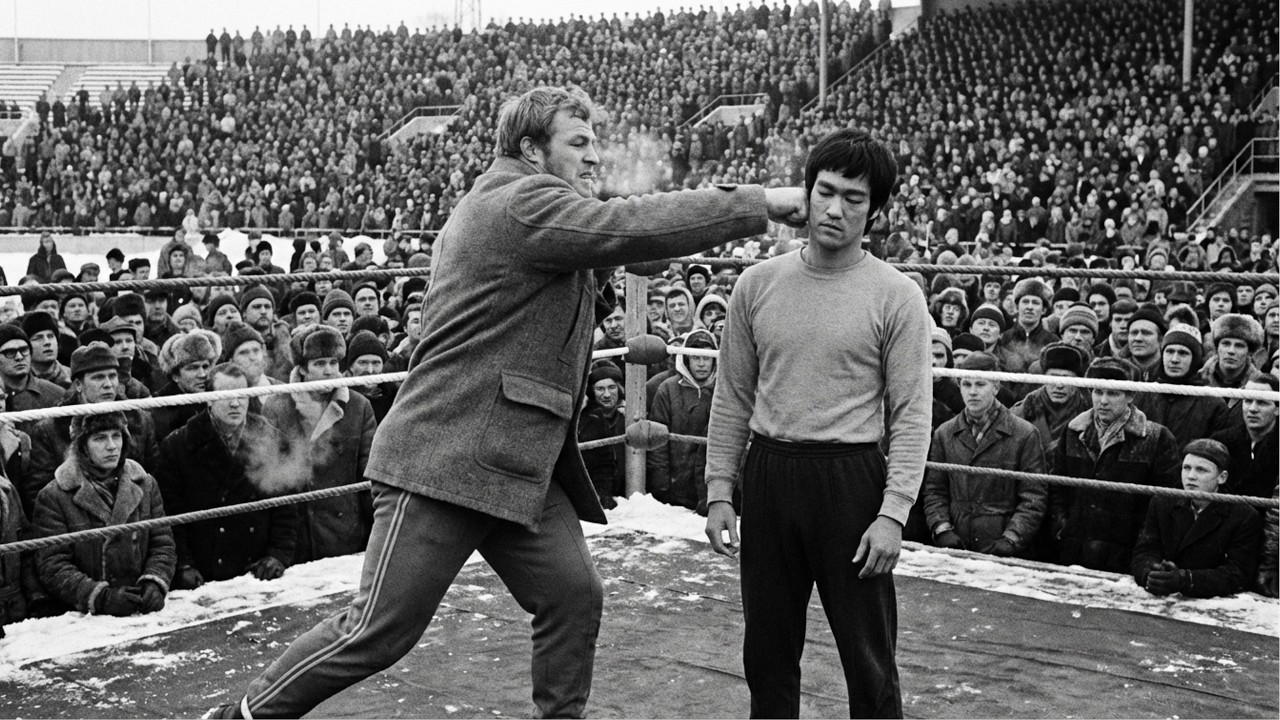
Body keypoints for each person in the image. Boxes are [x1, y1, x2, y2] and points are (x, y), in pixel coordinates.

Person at [209, 85, 806, 720]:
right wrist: (761, 202)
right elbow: (625, 224)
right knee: (377, 631)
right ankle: (240, 717)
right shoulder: (519, 201)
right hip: (445, 458)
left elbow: (554, 296)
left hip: (516, 465)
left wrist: (608, 268)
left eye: (596, 143)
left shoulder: (525, 209)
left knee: (572, 595)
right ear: (531, 149)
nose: (594, 157)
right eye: (579, 143)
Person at [704, 129, 929, 718]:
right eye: (825, 191)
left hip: (850, 480)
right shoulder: (756, 284)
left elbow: (912, 412)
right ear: (805, 194)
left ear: (875, 210)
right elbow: (732, 395)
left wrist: (893, 514)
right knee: (767, 653)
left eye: (853, 198)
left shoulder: (896, 295)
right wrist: (720, 490)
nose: (834, 209)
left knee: (868, 659)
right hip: (770, 472)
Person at [155, 363, 299, 590]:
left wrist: (278, 554)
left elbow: (286, 507)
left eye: (242, 395)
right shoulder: (178, 447)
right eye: (226, 395)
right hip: (202, 576)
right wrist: (183, 564)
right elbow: (170, 515)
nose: (235, 403)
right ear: (209, 399)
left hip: (258, 574)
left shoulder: (273, 440)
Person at [32, 411, 175, 617]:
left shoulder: (146, 484)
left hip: (142, 609)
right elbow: (53, 565)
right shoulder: (55, 496)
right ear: (82, 446)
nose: (112, 446)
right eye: (100, 438)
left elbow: (162, 544)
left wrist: (154, 581)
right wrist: (101, 597)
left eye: (116, 436)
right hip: (85, 618)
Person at [1048, 357, 1181, 573]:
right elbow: (1057, 487)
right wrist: (1063, 524)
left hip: (1126, 554)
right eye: (1098, 392)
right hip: (1073, 548)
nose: (1103, 401)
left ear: (1130, 396)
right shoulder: (1073, 431)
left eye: (1112, 393)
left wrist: (1143, 544)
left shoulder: (1156, 438)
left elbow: (1165, 501)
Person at [262, 324, 375, 565]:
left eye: (334, 362)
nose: (329, 371)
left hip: (344, 535)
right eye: (320, 363)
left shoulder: (358, 407)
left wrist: (377, 536)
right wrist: (275, 548)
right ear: (302, 368)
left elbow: (369, 477)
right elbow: (268, 481)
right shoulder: (277, 406)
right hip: (294, 539)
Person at [923, 352, 1047, 558]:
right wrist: (942, 529)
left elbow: (1033, 496)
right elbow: (935, 489)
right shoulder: (945, 433)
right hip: (957, 544)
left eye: (980, 384)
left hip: (1003, 546)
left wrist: (1011, 538)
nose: (972, 392)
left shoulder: (1024, 434)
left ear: (996, 387)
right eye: (966, 384)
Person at [25, 342, 159, 517]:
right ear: (78, 385)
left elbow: (154, 478)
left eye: (112, 376)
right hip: (75, 523)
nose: (108, 384)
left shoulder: (140, 420)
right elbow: (39, 496)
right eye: (98, 377)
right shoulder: (50, 429)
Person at [1131, 439, 1262, 598]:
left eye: (1201, 470)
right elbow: (1145, 550)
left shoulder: (1243, 516)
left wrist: (1186, 580)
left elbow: (1237, 573)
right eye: (1186, 468)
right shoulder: (1162, 502)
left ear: (1222, 477)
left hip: (1212, 601)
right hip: (1163, 597)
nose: (1191, 476)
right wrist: (1151, 574)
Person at [647, 328, 717, 514]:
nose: (701, 364)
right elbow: (657, 442)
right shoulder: (668, 389)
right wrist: (661, 485)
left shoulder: (723, 389)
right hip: (677, 486)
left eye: (707, 358)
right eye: (695, 358)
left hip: (714, 485)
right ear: (686, 359)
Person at [578, 363, 626, 509]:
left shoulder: (630, 417)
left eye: (611, 387)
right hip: (597, 497)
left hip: (627, 496)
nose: (606, 394)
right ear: (591, 392)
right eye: (600, 389)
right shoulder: (583, 422)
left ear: (619, 388)